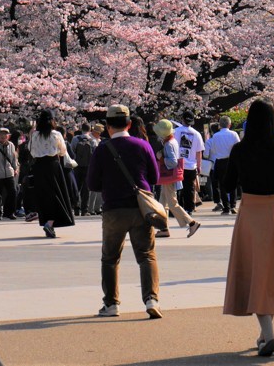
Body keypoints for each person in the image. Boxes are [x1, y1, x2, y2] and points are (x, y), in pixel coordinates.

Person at [222, 99, 274, 357]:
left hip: (250, 213)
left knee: (255, 273)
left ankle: (269, 335)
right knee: (270, 273)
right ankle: (265, 335)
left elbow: (227, 185)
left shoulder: (239, 150)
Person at [87, 104, 163, 319]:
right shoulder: (142, 145)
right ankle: (151, 299)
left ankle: (111, 303)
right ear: (129, 124)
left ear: (107, 126)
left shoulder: (102, 149)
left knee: (110, 258)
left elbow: (92, 183)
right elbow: (154, 178)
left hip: (113, 209)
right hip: (140, 208)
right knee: (146, 255)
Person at [29, 110, 75, 239]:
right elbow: (62, 151)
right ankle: (50, 223)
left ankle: (48, 221)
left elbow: (31, 151)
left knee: (44, 194)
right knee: (56, 194)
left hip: (38, 166)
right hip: (53, 165)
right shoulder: (56, 134)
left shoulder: (35, 135)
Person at [152, 119, 200, 239]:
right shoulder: (172, 141)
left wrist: (161, 158)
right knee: (163, 202)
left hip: (168, 177)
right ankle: (164, 228)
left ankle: (192, 223)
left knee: (172, 203)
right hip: (170, 177)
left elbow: (172, 162)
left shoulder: (168, 144)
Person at [174, 111, 205, 215]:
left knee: (178, 187)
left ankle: (178, 207)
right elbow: (199, 152)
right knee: (189, 188)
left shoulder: (175, 132)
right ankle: (189, 208)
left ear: (182, 119)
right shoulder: (197, 134)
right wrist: (199, 166)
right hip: (191, 165)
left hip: (178, 164)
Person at [210, 115, 241, 214]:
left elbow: (214, 149)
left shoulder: (215, 136)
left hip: (219, 161)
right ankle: (233, 205)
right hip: (231, 160)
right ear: (229, 124)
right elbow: (238, 147)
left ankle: (226, 207)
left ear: (220, 125)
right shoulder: (234, 134)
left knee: (222, 185)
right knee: (233, 183)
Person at [0, 127, 18, 221]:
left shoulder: (11, 145)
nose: (3, 136)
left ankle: (9, 212)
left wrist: (15, 168)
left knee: (13, 192)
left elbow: (14, 158)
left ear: (8, 136)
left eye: (5, 134)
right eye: (1, 134)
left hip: (9, 172)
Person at [71, 122, 98, 216]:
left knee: (76, 188)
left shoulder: (75, 139)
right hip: (89, 167)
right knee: (86, 189)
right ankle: (84, 210)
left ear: (81, 129)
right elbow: (95, 155)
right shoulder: (93, 140)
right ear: (90, 130)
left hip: (77, 166)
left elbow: (72, 152)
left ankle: (76, 209)